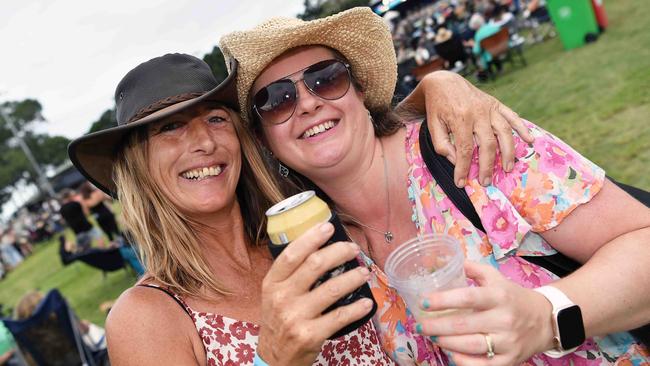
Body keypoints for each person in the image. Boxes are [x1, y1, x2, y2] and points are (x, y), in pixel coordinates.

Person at [220, 7, 650, 365]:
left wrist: (546, 317)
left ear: (361, 90)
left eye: (326, 78)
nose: (309, 102)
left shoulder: (470, 142)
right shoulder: (317, 256)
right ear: (263, 139)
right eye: (276, 99)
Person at [68, 50, 531, 364]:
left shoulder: (305, 229)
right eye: (168, 129)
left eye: (215, 119)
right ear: (137, 166)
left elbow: (357, 137)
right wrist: (271, 359)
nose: (204, 142)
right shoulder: (146, 317)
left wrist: (438, 84)